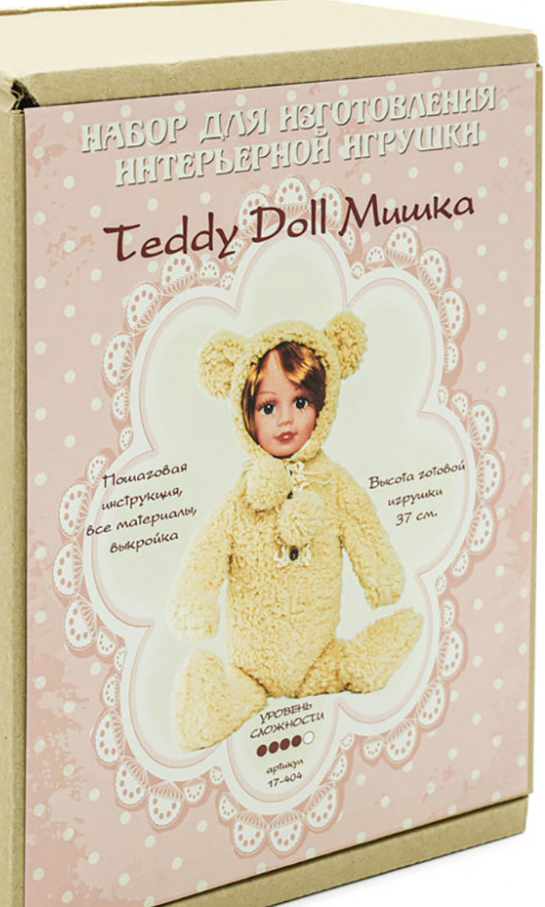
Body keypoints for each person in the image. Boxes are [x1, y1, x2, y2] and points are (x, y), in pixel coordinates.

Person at [168, 314, 423, 751]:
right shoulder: (242, 496)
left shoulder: (333, 485)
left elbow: (363, 526)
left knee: (348, 667)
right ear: (246, 414)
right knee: (235, 694)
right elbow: (207, 547)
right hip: (251, 666)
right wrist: (194, 601)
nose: (286, 419)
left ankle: (359, 660)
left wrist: (381, 576)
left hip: (315, 656)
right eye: (268, 407)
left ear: (323, 405)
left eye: (301, 402)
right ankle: (212, 698)